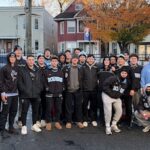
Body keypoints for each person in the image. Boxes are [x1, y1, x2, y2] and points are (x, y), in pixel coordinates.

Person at [18, 55, 44, 135]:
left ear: (34, 61)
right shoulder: (22, 70)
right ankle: (24, 126)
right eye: (29, 60)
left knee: (35, 111)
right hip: (25, 94)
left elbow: (41, 82)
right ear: (27, 61)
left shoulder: (38, 70)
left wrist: (39, 90)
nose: (31, 61)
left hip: (36, 94)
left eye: (32, 60)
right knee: (24, 111)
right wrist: (24, 91)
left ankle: (34, 125)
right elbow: (20, 83)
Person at [102, 68, 128, 135]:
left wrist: (116, 96)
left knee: (120, 110)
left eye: (125, 73)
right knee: (108, 111)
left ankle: (113, 124)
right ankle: (107, 126)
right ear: (120, 73)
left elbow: (121, 91)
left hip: (115, 96)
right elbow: (104, 86)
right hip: (107, 95)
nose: (124, 74)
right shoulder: (113, 78)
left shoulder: (125, 81)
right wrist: (111, 94)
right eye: (123, 73)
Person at [0, 52, 18, 139]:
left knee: (13, 111)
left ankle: (11, 127)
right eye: (11, 57)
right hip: (7, 94)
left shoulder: (17, 68)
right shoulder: (4, 68)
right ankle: (2, 130)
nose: (12, 58)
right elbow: (1, 81)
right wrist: (2, 93)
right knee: (4, 113)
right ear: (8, 58)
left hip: (15, 94)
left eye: (14, 57)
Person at [63, 54, 84, 129]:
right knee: (68, 107)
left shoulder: (81, 68)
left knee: (78, 106)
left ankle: (79, 121)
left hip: (78, 90)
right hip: (69, 90)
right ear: (71, 60)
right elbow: (63, 78)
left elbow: (83, 79)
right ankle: (68, 121)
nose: (75, 60)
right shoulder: (66, 67)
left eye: (76, 59)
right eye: (73, 59)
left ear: (78, 60)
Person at [44, 56, 64, 131]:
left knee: (58, 109)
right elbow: (44, 82)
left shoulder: (60, 71)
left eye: (56, 61)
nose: (54, 62)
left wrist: (62, 89)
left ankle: (57, 122)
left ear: (57, 62)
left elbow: (63, 82)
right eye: (53, 61)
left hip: (58, 94)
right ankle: (48, 122)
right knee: (49, 108)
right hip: (49, 94)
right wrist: (47, 88)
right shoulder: (47, 71)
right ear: (51, 62)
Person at [81, 54, 98, 127]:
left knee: (93, 105)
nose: (90, 60)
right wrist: (82, 88)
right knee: (84, 105)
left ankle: (93, 119)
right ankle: (85, 119)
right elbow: (81, 79)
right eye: (89, 58)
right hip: (85, 90)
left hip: (94, 90)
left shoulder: (96, 67)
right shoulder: (83, 67)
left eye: (92, 59)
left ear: (94, 60)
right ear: (87, 59)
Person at [14, 45, 26, 127]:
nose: (18, 52)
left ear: (21, 52)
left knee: (21, 104)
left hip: (22, 86)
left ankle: (20, 119)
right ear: (14, 51)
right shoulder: (12, 60)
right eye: (17, 50)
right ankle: (10, 121)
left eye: (20, 50)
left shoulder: (24, 62)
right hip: (12, 87)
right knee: (12, 104)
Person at [36, 54, 47, 128]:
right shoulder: (35, 68)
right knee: (37, 105)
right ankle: (37, 120)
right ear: (37, 60)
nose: (41, 60)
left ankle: (43, 118)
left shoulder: (47, 68)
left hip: (45, 90)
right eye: (40, 58)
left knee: (44, 105)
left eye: (42, 58)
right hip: (37, 89)